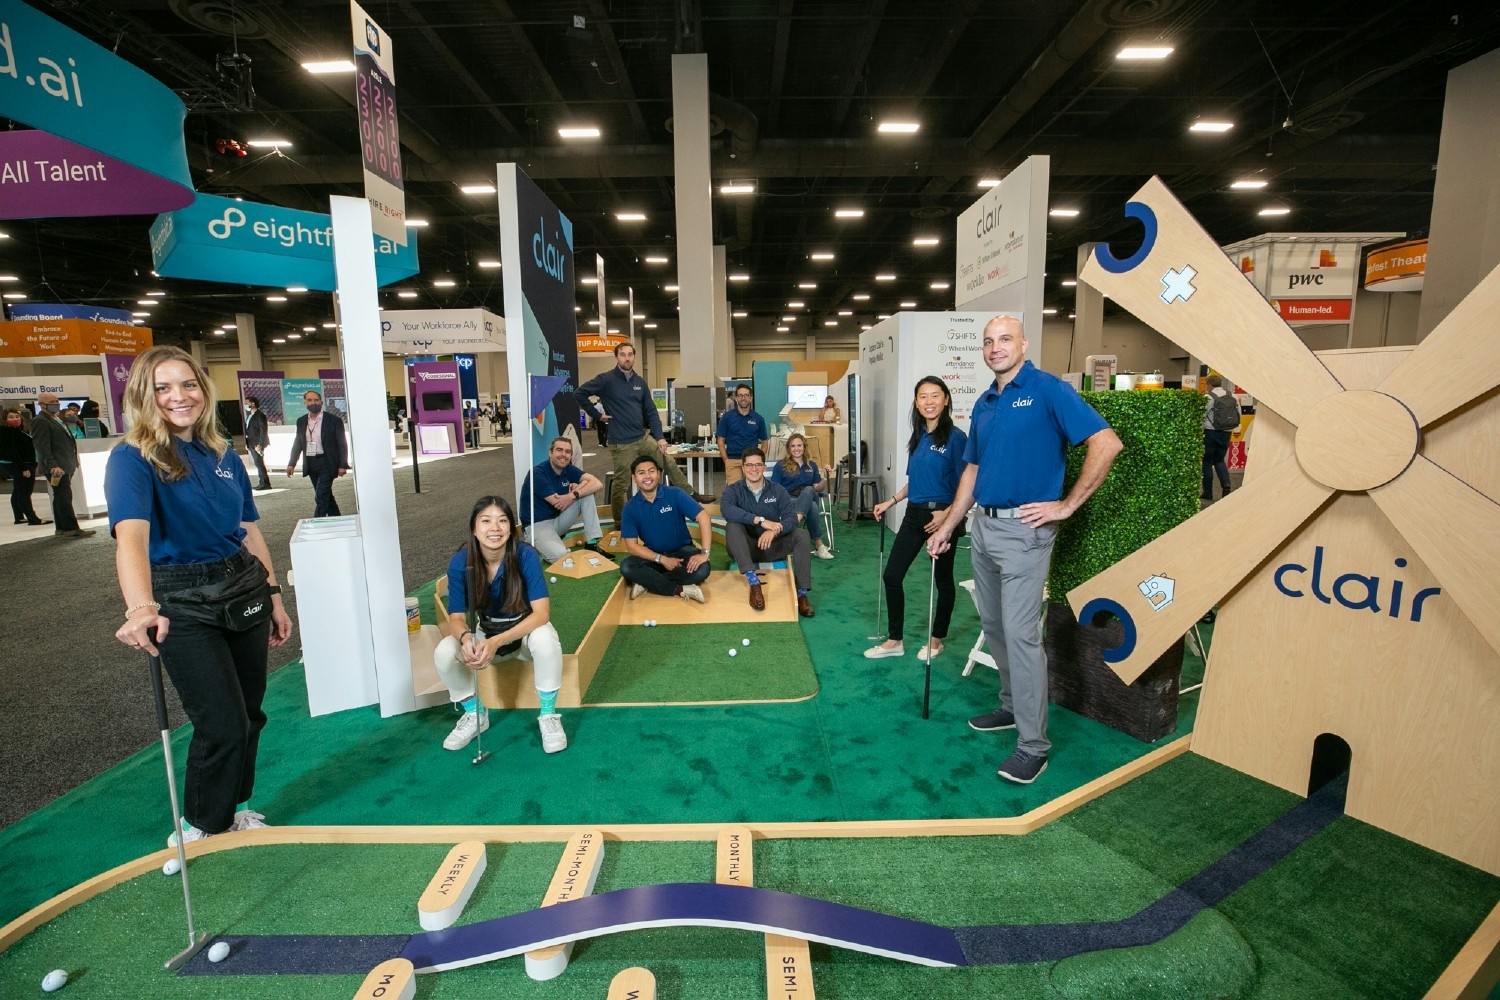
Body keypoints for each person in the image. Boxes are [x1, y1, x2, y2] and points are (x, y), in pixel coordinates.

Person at [107, 346, 294, 844]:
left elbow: (248, 529)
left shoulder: (222, 452)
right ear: (146, 396)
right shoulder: (133, 457)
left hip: (243, 587)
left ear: (204, 390)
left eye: (188, 384)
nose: (178, 397)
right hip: (181, 600)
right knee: (222, 722)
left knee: (251, 714)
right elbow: (131, 537)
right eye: (163, 387)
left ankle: (234, 808)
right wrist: (141, 605)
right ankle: (201, 823)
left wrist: (273, 593)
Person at [927, 316, 1122, 785]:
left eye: (1005, 340)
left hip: (1026, 535)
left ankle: (1034, 746)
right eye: (989, 342)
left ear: (1024, 344)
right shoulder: (986, 402)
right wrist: (949, 526)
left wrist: (1067, 505)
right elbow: (972, 470)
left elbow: (1106, 442)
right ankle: (1012, 708)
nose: (996, 348)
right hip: (983, 530)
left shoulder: (1048, 389)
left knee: (1021, 636)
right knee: (993, 625)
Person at [433, 495, 568, 754]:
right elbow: (456, 618)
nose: (495, 528)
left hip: (522, 633)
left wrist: (497, 642)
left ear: (510, 527)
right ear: (474, 528)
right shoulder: (461, 561)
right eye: (486, 521)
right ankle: (475, 715)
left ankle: (549, 716)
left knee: (545, 638)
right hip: (485, 631)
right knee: (443, 652)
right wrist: (465, 639)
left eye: (502, 521)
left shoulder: (526, 555)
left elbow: (541, 614)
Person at [867, 377, 969, 662]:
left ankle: (936, 641)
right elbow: (916, 481)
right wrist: (891, 501)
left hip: (945, 517)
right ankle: (895, 640)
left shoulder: (957, 438)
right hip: (915, 514)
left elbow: (968, 482)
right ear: (916, 402)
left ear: (946, 399)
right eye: (923, 397)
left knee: (943, 581)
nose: (929, 402)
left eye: (935, 396)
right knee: (892, 575)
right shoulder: (919, 437)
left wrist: (947, 515)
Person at [575, 341, 695, 516]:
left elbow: (651, 410)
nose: (627, 358)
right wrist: (596, 415)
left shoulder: (639, 382)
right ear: (616, 358)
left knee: (667, 462)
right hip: (622, 443)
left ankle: (691, 494)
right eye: (623, 355)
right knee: (621, 485)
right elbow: (579, 393)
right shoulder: (606, 380)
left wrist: (660, 437)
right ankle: (619, 522)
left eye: (630, 355)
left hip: (642, 437)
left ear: (634, 357)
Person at [720, 448, 816, 617]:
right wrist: (760, 521)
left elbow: (791, 519)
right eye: (749, 465)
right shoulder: (733, 490)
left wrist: (774, 531)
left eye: (758, 464)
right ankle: (754, 583)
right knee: (733, 526)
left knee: (801, 535)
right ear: (743, 468)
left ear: (764, 467)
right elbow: (727, 510)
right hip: (744, 549)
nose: (753, 469)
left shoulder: (777, 490)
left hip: (771, 547)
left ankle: (802, 594)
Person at [618, 454, 711, 603]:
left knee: (703, 568)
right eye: (641, 473)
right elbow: (632, 546)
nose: (647, 476)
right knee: (627, 567)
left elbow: (704, 517)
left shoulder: (675, 494)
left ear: (659, 474)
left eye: (651, 471)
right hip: (653, 556)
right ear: (634, 478)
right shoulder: (630, 508)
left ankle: (647, 582)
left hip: (683, 551)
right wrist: (662, 559)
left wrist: (705, 553)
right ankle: (680, 589)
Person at [519, 436, 613, 562]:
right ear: (550, 452)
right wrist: (577, 491)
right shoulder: (537, 473)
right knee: (561, 557)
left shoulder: (567, 468)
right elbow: (558, 503)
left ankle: (591, 543)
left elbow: (597, 483)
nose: (563, 455)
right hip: (537, 526)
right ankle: (538, 546)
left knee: (587, 494)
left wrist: (572, 495)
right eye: (559, 450)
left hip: (558, 519)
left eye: (568, 452)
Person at [31, 391, 94, 539]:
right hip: (56, 466)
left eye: (56, 401)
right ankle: (71, 528)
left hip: (65, 463)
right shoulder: (40, 421)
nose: (55, 404)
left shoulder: (56, 419)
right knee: (64, 496)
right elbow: (42, 446)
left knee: (60, 496)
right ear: (41, 405)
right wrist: (52, 464)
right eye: (51, 402)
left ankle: (61, 527)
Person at [769, 432, 834, 560]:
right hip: (789, 499)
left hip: (809, 495)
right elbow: (775, 488)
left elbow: (818, 488)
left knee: (809, 490)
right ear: (789, 448)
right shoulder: (780, 466)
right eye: (793, 446)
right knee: (813, 506)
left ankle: (794, 522)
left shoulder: (812, 465)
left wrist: (825, 478)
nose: (796, 449)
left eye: (799, 445)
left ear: (804, 447)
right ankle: (818, 545)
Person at [285, 389, 349, 517]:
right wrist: (291, 463)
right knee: (326, 495)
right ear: (305, 403)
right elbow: (298, 443)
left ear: (320, 402)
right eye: (309, 400)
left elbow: (342, 443)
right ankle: (336, 519)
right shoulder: (301, 421)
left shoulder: (334, 420)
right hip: (311, 463)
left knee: (320, 496)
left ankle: (317, 522)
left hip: (327, 462)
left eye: (315, 400)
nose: (313, 402)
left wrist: (343, 465)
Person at [0, 408, 49, 526]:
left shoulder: (17, 431)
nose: (15, 419)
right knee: (24, 491)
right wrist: (23, 468)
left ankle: (19, 516)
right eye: (11, 417)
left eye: (17, 417)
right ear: (5, 419)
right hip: (20, 464)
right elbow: (13, 452)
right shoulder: (7, 432)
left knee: (18, 490)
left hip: (21, 463)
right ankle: (32, 518)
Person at [716, 385, 769, 486]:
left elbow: (764, 442)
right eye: (740, 395)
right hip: (733, 461)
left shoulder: (758, 419)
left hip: (751, 462)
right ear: (736, 398)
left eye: (746, 395)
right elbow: (720, 440)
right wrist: (726, 460)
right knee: (735, 493)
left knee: (752, 490)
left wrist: (759, 460)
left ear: (751, 398)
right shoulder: (727, 418)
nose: (743, 398)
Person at [1202, 375, 1235, 501]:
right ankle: (1226, 484)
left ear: (1209, 385)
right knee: (1219, 460)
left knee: (1207, 462)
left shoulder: (1208, 397)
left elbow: (1202, 416)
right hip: (1226, 432)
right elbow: (1238, 414)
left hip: (1210, 432)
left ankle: (1208, 492)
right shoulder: (1232, 396)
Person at [243, 396, 272, 491]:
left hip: (257, 443)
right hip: (251, 443)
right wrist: (246, 443)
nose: (246, 405)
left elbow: (263, 431)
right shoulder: (249, 415)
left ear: (253, 403)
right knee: (257, 463)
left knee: (259, 462)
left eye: (247, 403)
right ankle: (262, 482)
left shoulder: (260, 416)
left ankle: (265, 483)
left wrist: (260, 444)